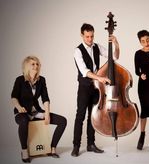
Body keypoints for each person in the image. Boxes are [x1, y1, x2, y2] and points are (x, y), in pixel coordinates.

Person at [71, 23, 120, 157]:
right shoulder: (78, 51)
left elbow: (114, 57)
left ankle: (91, 144)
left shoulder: (97, 46)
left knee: (92, 116)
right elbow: (84, 71)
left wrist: (116, 43)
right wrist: (100, 78)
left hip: (96, 88)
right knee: (80, 116)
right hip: (84, 87)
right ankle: (76, 146)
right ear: (82, 35)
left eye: (92, 36)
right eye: (87, 37)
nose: (90, 39)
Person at [11, 56, 67, 163]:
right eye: (33, 64)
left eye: (37, 64)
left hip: (36, 112)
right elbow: (14, 97)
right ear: (27, 66)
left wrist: (46, 114)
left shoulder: (42, 80)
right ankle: (24, 151)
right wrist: (19, 107)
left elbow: (45, 98)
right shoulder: (20, 80)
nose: (36, 66)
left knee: (62, 121)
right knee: (24, 120)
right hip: (22, 112)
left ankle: (52, 149)